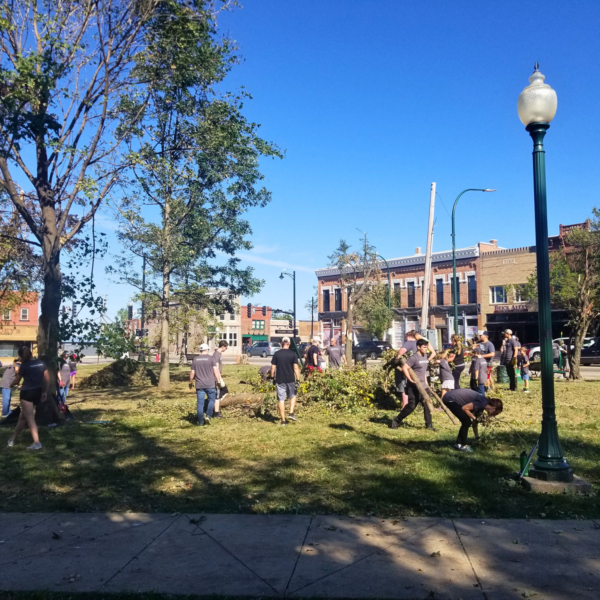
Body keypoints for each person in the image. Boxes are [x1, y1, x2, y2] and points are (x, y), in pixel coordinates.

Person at [7, 346, 49, 450]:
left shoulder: (24, 365)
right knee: (23, 417)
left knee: (30, 419)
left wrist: (11, 384)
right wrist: (44, 392)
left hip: (27, 393)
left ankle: (37, 443)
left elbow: (17, 380)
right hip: (38, 392)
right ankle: (12, 439)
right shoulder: (41, 363)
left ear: (21, 355)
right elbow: (47, 379)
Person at [392, 339, 435, 431]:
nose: (426, 349)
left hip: (423, 386)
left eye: (426, 347)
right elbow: (404, 368)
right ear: (418, 347)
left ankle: (429, 425)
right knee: (411, 406)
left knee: (427, 404)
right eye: (424, 347)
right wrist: (410, 379)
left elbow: (423, 371)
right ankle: (397, 419)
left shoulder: (425, 356)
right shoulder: (414, 357)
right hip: (414, 386)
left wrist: (427, 384)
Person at [270, 337, 301, 426]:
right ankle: (291, 413)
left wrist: (272, 378)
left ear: (281, 343)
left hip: (280, 380)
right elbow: (295, 368)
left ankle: (283, 420)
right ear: (289, 343)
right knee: (293, 396)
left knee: (281, 399)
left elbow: (272, 367)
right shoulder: (293, 354)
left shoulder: (276, 354)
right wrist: (298, 379)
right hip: (290, 379)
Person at [189, 343, 222, 426]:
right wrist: (218, 380)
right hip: (210, 384)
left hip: (199, 385)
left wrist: (190, 382)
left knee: (200, 403)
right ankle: (208, 415)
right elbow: (216, 370)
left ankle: (200, 422)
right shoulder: (211, 359)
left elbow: (192, 372)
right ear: (207, 350)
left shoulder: (195, 359)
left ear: (200, 350)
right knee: (212, 400)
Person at [394, 330, 418, 410]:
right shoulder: (417, 343)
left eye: (405, 337)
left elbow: (401, 352)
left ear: (408, 336)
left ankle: (405, 404)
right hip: (415, 367)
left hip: (407, 367)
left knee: (403, 385)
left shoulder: (409, 343)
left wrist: (396, 359)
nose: (405, 339)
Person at [212, 340, 229, 419]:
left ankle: (216, 407)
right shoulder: (216, 355)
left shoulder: (218, 354)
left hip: (218, 376)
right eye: (226, 347)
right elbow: (216, 368)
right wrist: (219, 379)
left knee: (224, 391)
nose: (226, 349)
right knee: (218, 394)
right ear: (222, 347)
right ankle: (215, 411)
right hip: (216, 378)